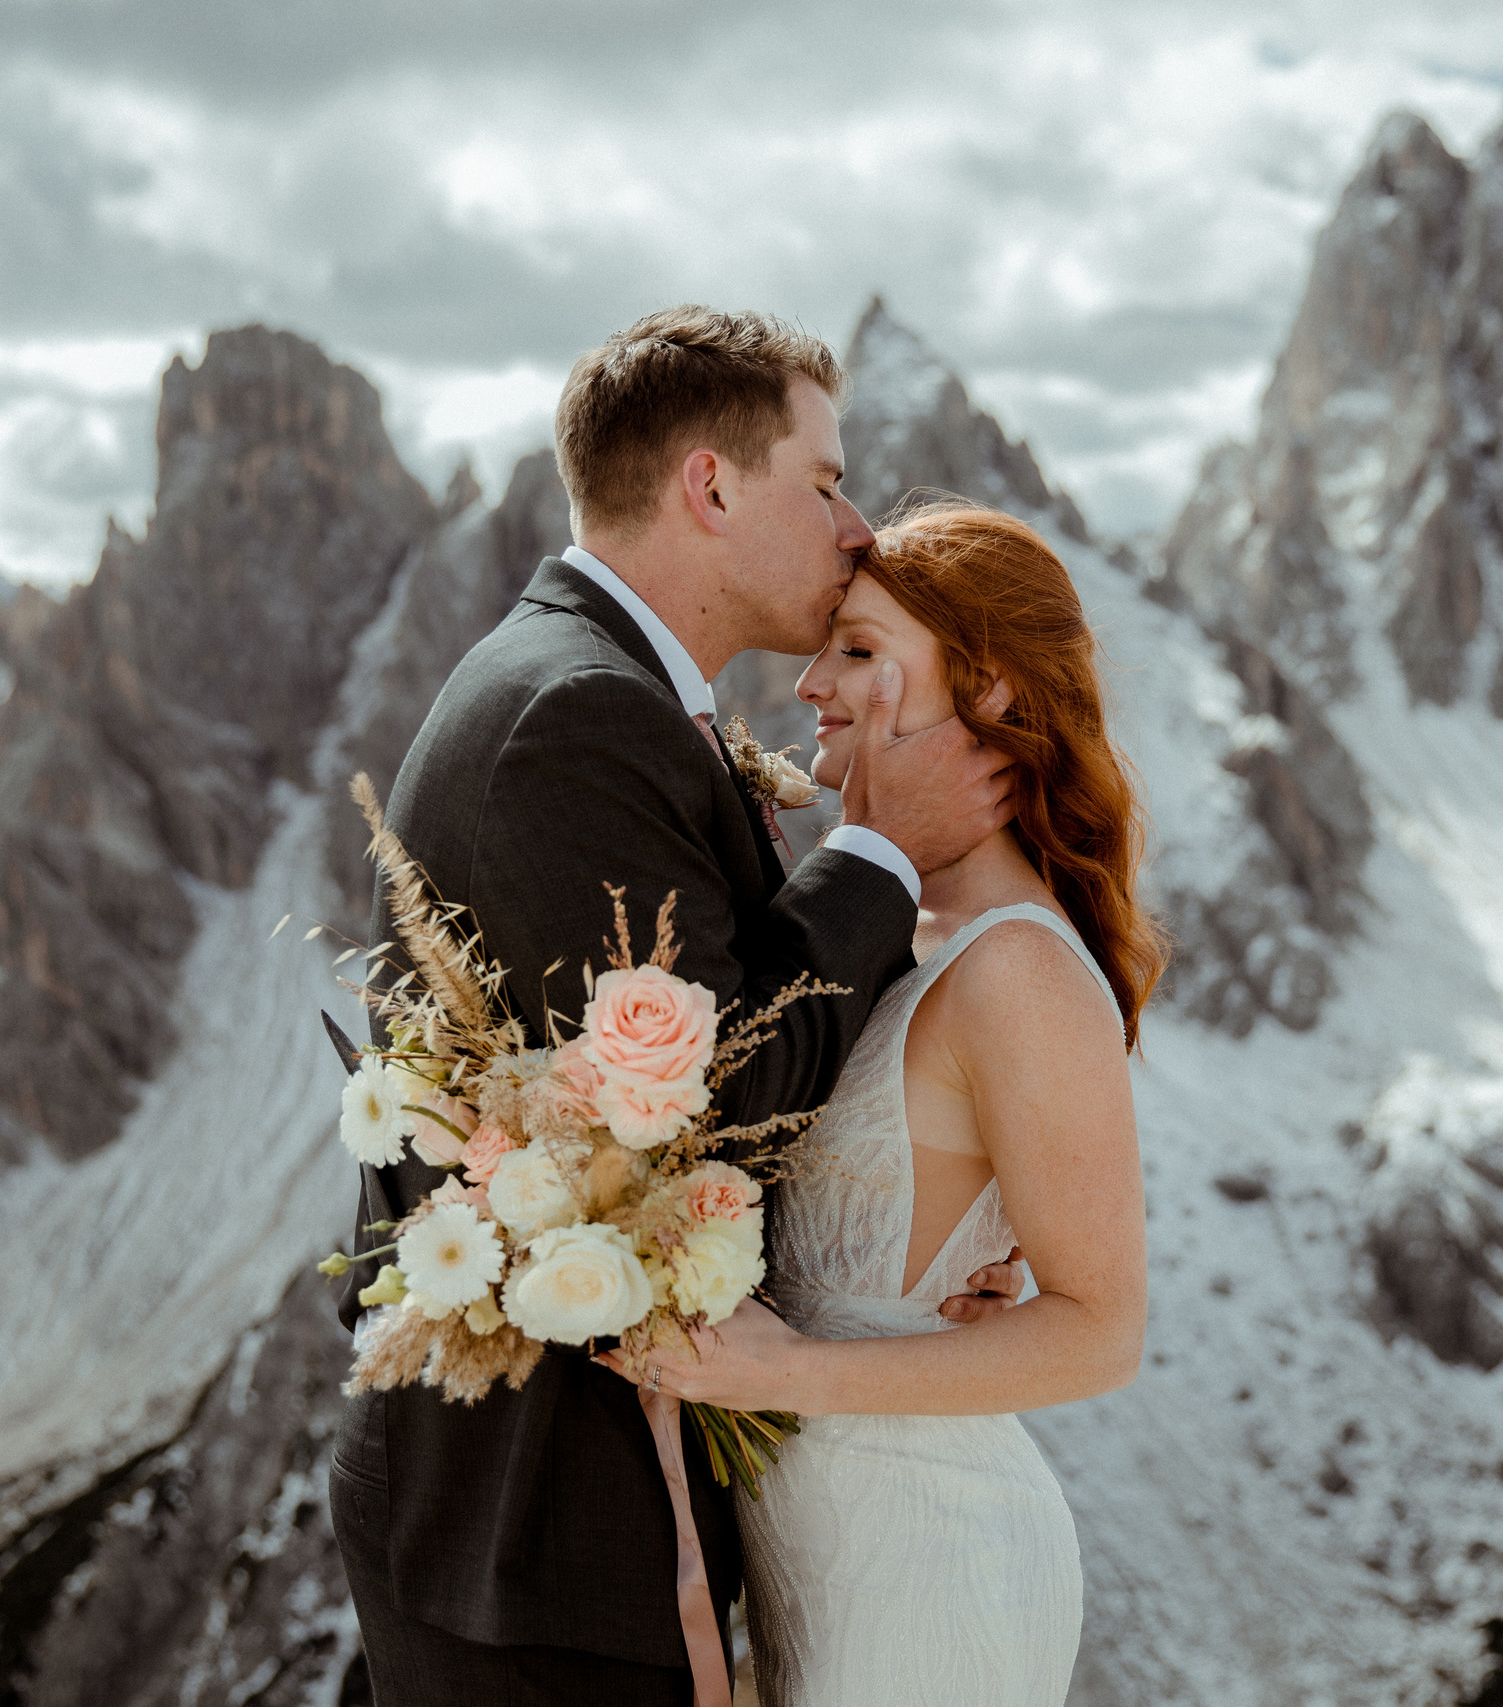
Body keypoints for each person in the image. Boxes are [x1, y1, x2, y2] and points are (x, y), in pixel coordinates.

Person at [329, 307, 1027, 1707]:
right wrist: (885, 847)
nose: (853, 530)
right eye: (823, 482)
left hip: (559, 1522)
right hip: (540, 1541)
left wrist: (899, 1262)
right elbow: (719, 1094)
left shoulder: (605, 690)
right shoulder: (574, 716)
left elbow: (649, 1107)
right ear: (710, 486)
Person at [605, 505, 1162, 1707]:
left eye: (858, 652)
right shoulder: (900, 933)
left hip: (932, 1563)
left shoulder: (1017, 968)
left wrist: (787, 1370)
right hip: (821, 1557)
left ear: (994, 692)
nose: (809, 681)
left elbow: (1101, 1328)